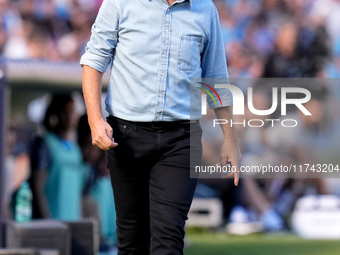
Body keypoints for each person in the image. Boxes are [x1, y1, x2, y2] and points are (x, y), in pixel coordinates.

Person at [80, 0, 241, 254]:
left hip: (181, 139)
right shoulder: (119, 3)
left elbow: (216, 78)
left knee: (169, 238)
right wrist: (95, 120)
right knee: (132, 239)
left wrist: (229, 137)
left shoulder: (205, 9)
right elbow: (93, 60)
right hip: (126, 137)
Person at [29, 94, 87, 220]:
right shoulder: (45, 144)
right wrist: (47, 222)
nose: (70, 116)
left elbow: (79, 191)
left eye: (73, 111)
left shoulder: (76, 149)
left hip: (74, 222)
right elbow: (38, 187)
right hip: (53, 224)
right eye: (66, 111)